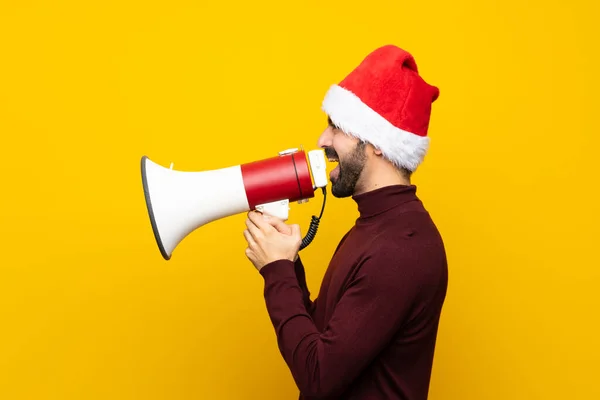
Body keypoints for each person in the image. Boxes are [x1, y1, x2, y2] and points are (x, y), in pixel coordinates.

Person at [243, 45, 448, 400]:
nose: (322, 140)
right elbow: (323, 339)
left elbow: (319, 376)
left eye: (336, 126)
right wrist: (287, 266)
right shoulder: (377, 227)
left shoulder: (401, 249)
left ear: (379, 143)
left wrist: (276, 271)